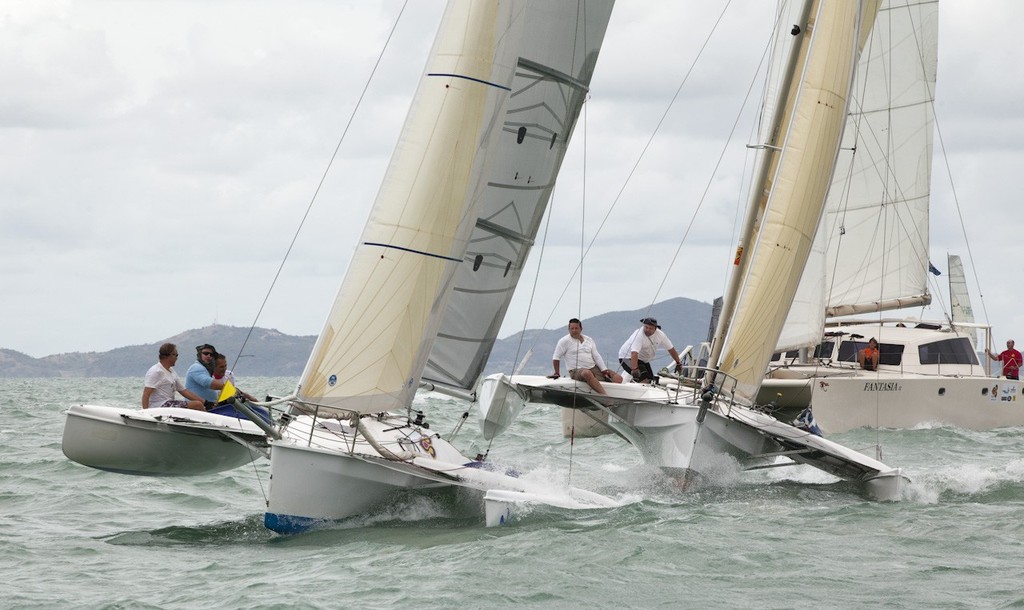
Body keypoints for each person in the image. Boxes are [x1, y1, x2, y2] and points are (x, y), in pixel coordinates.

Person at [550, 318, 622, 394]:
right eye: (572, 329)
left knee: (618, 378)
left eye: (576, 328)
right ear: (569, 329)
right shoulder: (564, 341)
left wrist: (604, 370)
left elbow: (596, 356)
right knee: (586, 373)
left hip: (593, 368)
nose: (574, 330)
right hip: (576, 371)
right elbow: (556, 357)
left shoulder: (589, 340)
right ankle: (604, 396)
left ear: (581, 329)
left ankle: (612, 394)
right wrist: (557, 373)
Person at [142, 343, 207, 410]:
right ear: (170, 355)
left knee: (199, 404)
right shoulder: (156, 371)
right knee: (197, 404)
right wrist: (145, 413)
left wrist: (205, 403)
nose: (177, 358)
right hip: (159, 406)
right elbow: (146, 394)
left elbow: (184, 391)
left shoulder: (171, 370)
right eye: (176, 355)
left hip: (169, 404)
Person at [618, 317, 683, 383]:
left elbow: (671, 349)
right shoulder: (639, 335)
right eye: (646, 327)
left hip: (643, 360)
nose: (647, 330)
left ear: (655, 329)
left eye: (650, 328)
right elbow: (634, 353)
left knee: (651, 380)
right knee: (643, 378)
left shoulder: (660, 335)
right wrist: (634, 369)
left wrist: (678, 362)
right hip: (627, 357)